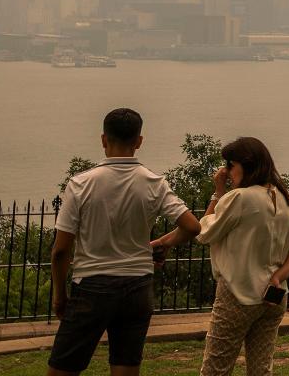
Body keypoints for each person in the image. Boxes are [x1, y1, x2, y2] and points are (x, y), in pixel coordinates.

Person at [48, 108, 201, 376]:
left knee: (63, 368)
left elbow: (61, 251)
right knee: (126, 367)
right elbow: (192, 226)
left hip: (92, 285)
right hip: (137, 286)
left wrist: (60, 295)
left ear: (104, 139)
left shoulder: (81, 184)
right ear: (139, 141)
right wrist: (161, 243)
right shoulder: (154, 182)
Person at [197, 137, 289, 376]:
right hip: (273, 296)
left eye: (230, 165)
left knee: (216, 368)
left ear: (246, 164)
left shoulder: (239, 198)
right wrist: (278, 277)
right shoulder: (285, 196)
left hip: (238, 293)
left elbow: (204, 232)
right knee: (261, 368)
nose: (227, 172)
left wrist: (218, 193)